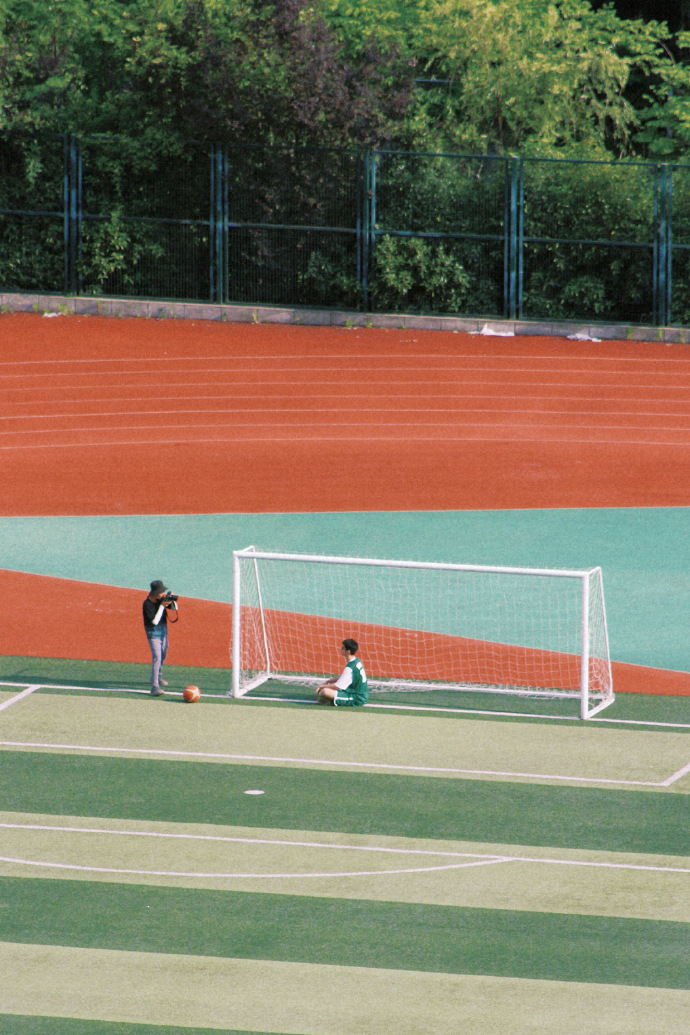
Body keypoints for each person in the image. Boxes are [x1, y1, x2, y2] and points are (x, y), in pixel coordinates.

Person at [143, 579, 177, 696]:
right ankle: (154, 686)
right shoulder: (147, 604)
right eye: (160, 592)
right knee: (157, 656)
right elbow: (154, 621)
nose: (162, 594)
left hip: (163, 632)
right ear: (154, 593)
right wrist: (162, 606)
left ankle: (159, 675)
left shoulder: (160, 599)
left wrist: (171, 600)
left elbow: (174, 609)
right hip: (153, 634)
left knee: (163, 653)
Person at [315, 638, 368, 707]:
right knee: (327, 688)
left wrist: (321, 686)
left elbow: (337, 686)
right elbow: (343, 676)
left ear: (348, 651)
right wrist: (329, 681)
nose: (341, 649)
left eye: (343, 648)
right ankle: (331, 699)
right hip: (360, 693)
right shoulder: (356, 660)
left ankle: (331, 701)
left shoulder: (350, 668)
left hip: (357, 698)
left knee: (324, 691)